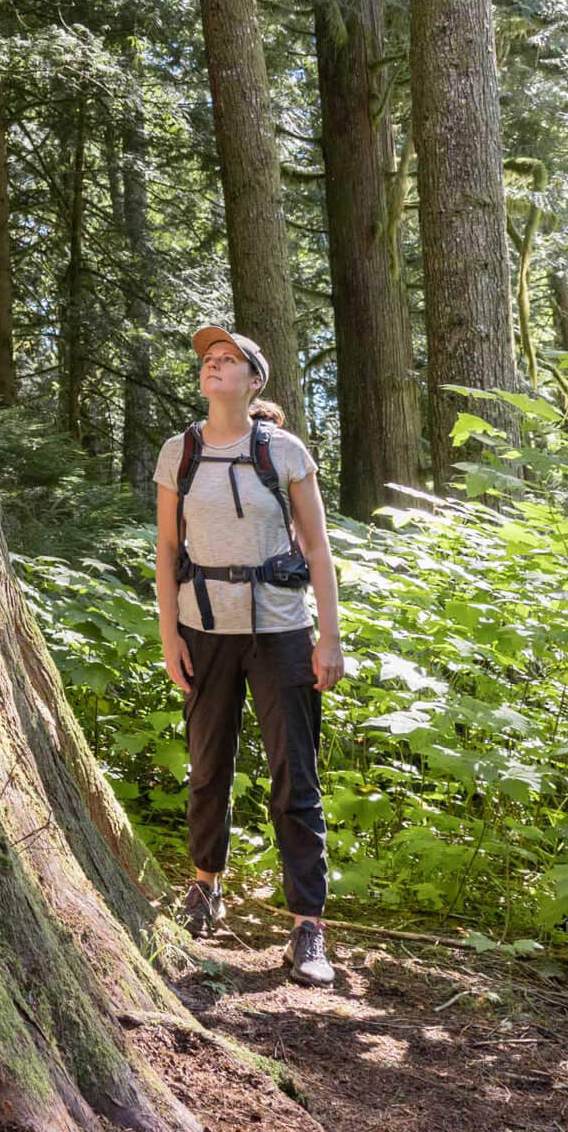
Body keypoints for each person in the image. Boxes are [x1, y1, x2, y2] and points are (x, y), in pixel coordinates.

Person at [155, 324, 345, 986]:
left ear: (253, 379)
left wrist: (330, 635)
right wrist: (168, 634)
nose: (214, 366)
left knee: (296, 777)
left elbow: (318, 549)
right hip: (202, 629)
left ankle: (308, 928)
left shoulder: (285, 451)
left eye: (228, 359)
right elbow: (167, 551)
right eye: (209, 359)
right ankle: (205, 886)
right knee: (208, 767)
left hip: (282, 632)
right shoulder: (179, 452)